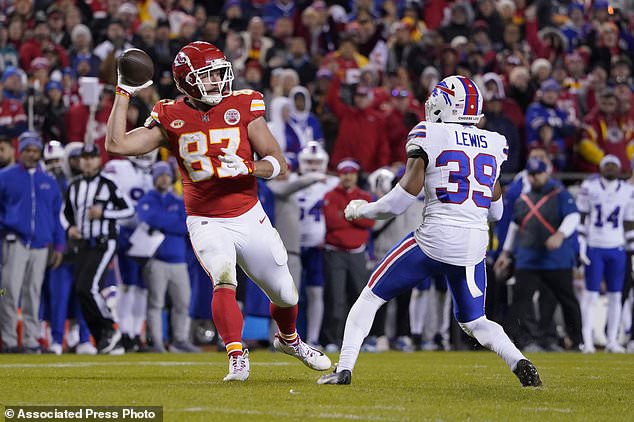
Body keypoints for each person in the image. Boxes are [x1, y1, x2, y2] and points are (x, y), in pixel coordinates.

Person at [105, 41, 330, 381]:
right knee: (223, 278)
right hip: (206, 218)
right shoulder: (170, 115)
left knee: (285, 293)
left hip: (248, 213)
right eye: (208, 76)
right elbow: (117, 144)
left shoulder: (243, 104)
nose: (218, 82)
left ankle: (290, 340)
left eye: (218, 74)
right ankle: (237, 355)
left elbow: (279, 165)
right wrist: (123, 91)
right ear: (187, 81)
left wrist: (249, 168)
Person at [317, 76, 541, 387]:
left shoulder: (429, 133)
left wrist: (362, 210)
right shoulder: (493, 142)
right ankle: (519, 359)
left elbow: (398, 202)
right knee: (475, 321)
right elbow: (498, 212)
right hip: (473, 244)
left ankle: (344, 369)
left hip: (435, 237)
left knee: (368, 299)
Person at [495, 158, 582, 352]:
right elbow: (515, 225)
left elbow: (573, 216)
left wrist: (560, 235)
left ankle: (574, 341)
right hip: (528, 258)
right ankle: (524, 341)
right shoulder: (523, 198)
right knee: (520, 301)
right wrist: (506, 252)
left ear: (546, 173)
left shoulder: (560, 194)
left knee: (564, 300)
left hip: (556, 260)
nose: (534, 178)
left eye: (538, 174)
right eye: (531, 174)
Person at [61, 143, 135, 355]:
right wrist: (70, 228)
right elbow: (64, 213)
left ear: (98, 160)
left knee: (90, 286)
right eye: (84, 157)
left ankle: (110, 329)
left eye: (91, 157)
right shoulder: (74, 186)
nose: (87, 161)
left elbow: (128, 209)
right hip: (84, 243)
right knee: (82, 290)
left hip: (104, 241)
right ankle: (104, 337)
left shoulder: (109, 184)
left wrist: (104, 214)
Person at [0, 131, 65, 353]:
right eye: (27, 150)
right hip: (14, 242)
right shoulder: (5, 176)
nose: (31, 154)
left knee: (33, 294)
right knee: (8, 292)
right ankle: (8, 341)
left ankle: (30, 340)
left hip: (41, 246)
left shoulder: (48, 181)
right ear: (21, 151)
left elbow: (57, 216)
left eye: (35, 150)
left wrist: (59, 245)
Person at [138, 161, 200, 353]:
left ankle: (179, 340)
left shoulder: (178, 200)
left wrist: (164, 223)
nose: (164, 178)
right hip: (156, 260)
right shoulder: (148, 198)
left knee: (183, 304)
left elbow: (186, 226)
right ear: (154, 177)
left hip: (179, 261)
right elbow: (148, 217)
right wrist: (172, 222)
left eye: (167, 175)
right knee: (156, 304)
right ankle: (156, 342)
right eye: (160, 175)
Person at [576, 155, 634, 353]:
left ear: (619, 169)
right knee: (590, 295)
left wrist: (632, 251)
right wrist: (581, 246)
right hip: (595, 246)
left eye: (614, 164)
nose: (610, 167)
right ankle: (588, 341)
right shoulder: (589, 187)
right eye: (606, 164)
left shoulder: (628, 191)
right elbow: (581, 218)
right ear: (600, 168)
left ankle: (612, 340)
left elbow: (629, 224)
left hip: (617, 247)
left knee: (616, 296)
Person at [320, 158, 374, 351]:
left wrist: (345, 216)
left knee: (360, 298)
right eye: (344, 173)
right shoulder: (331, 195)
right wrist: (354, 217)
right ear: (339, 175)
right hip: (335, 253)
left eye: (351, 173)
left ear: (356, 175)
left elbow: (370, 223)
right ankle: (331, 339)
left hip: (357, 252)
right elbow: (331, 222)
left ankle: (362, 340)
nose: (348, 176)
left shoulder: (364, 196)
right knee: (335, 298)